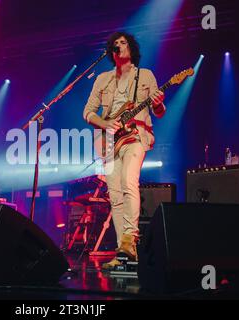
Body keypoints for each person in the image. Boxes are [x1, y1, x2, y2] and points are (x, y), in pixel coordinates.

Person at [83, 31, 166, 269]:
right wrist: (105, 123)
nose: (120, 45)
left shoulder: (145, 75)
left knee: (130, 181)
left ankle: (130, 240)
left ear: (131, 48)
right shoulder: (103, 79)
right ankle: (123, 252)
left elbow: (159, 112)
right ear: (111, 51)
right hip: (108, 141)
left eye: (124, 42)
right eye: (115, 43)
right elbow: (88, 112)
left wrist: (158, 103)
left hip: (136, 137)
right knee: (116, 195)